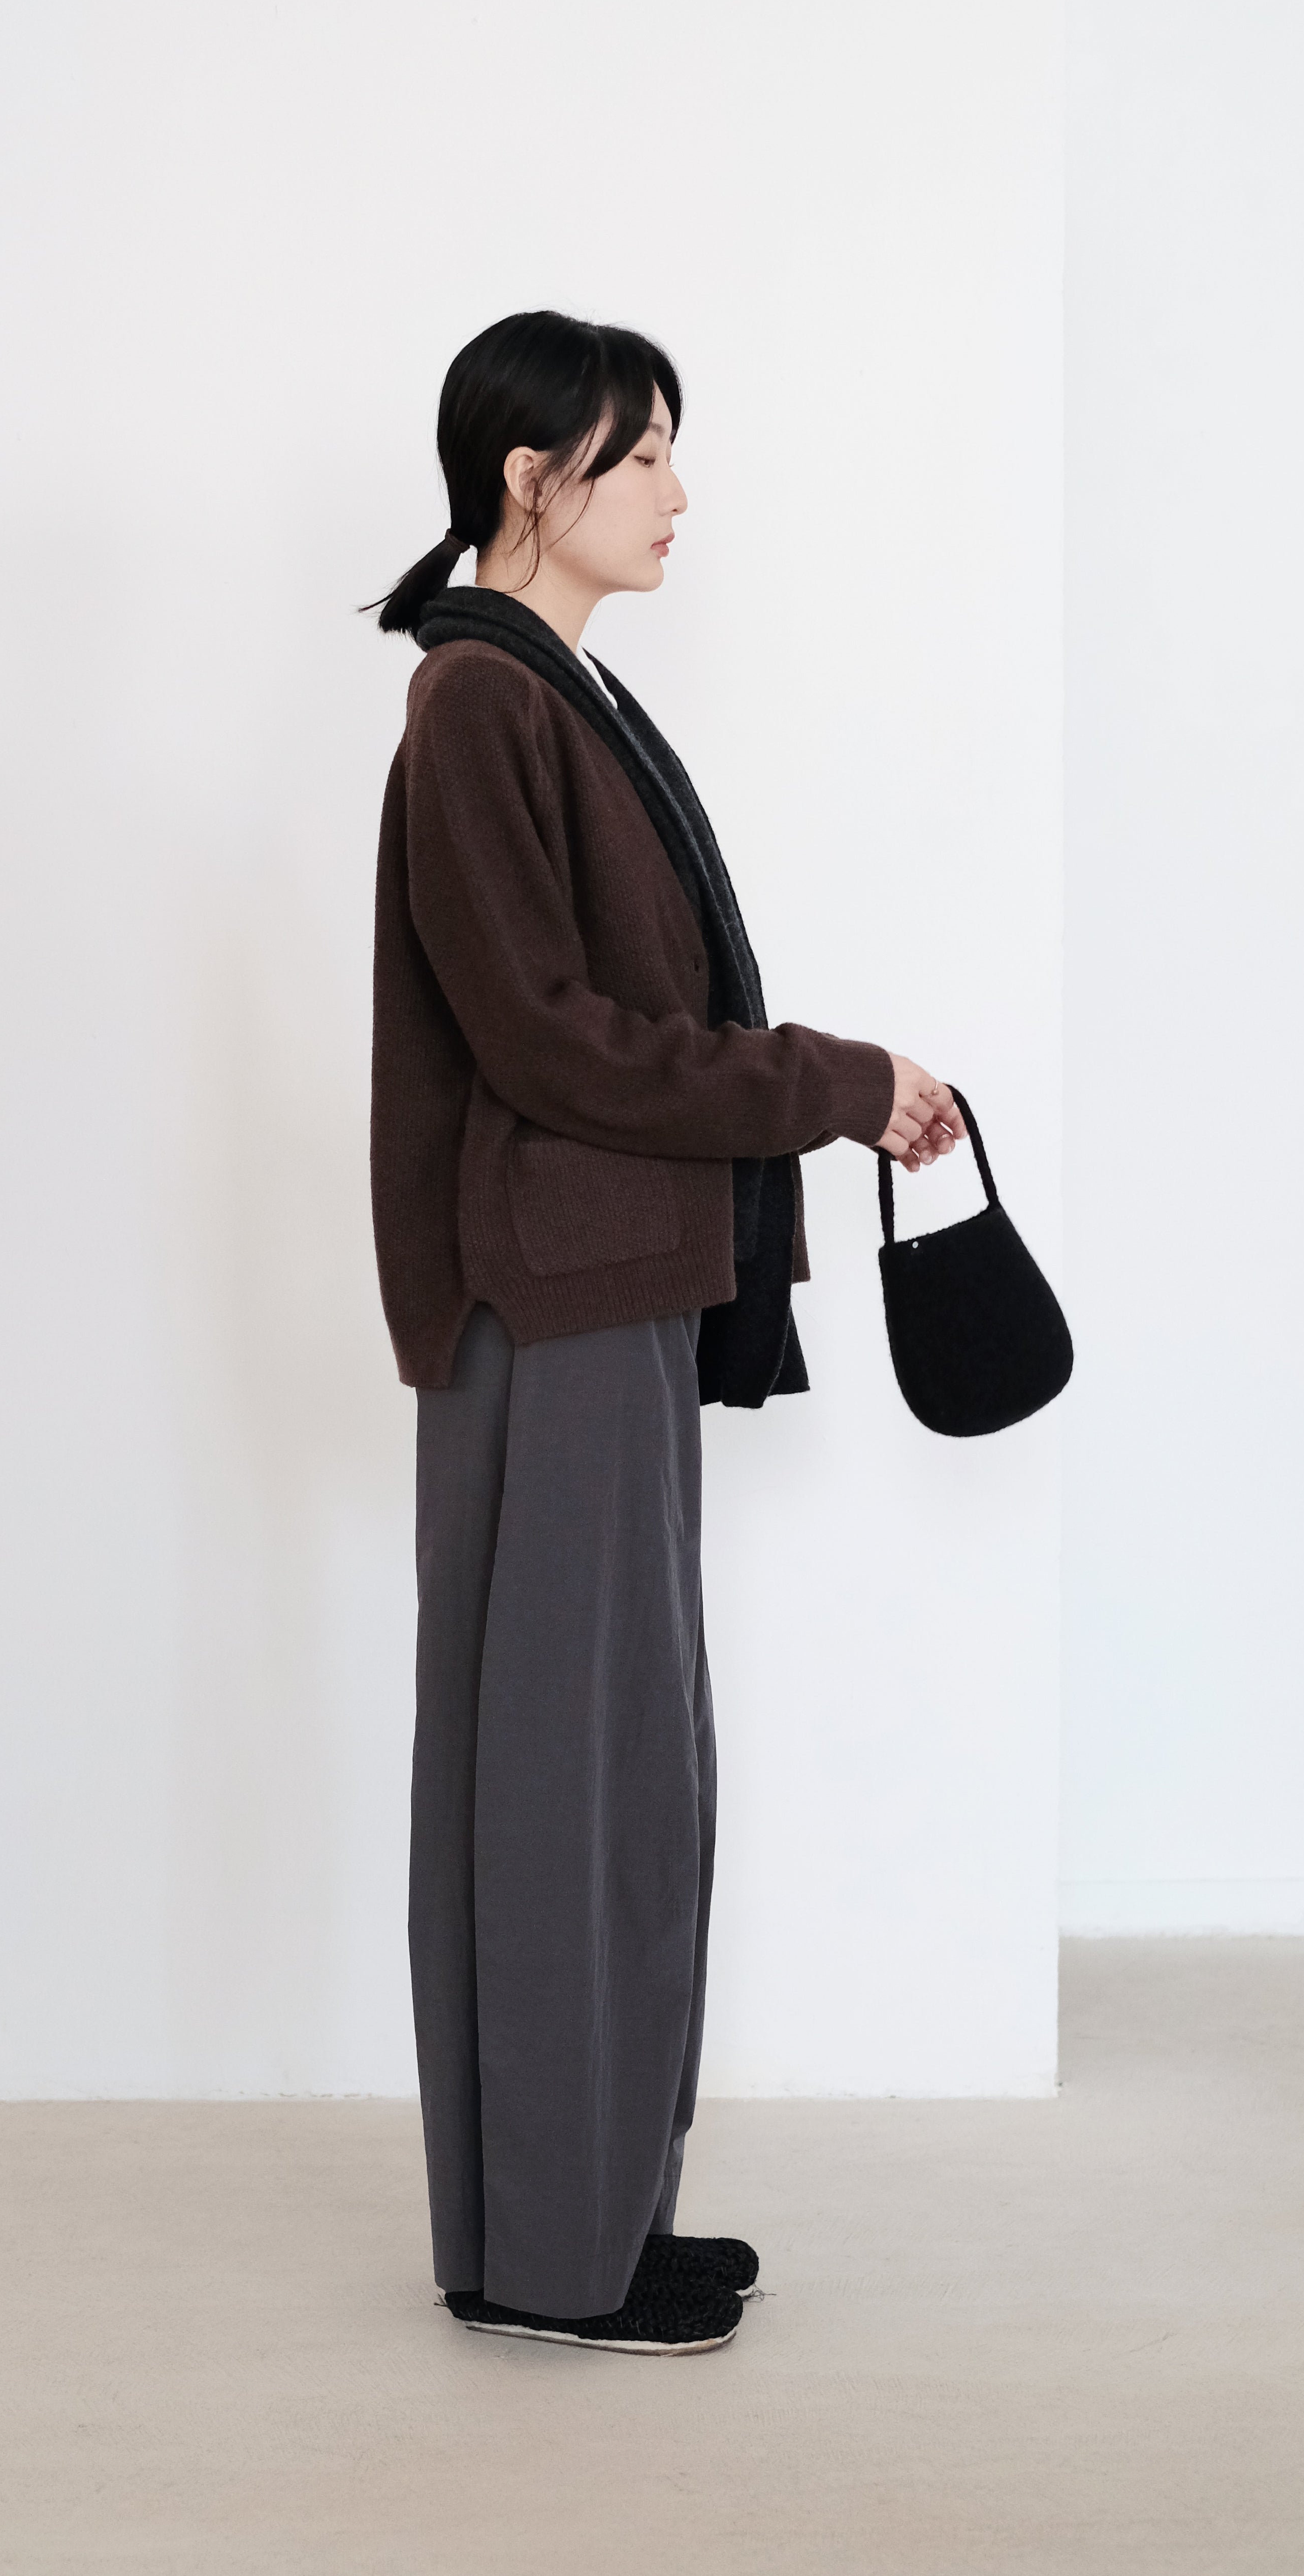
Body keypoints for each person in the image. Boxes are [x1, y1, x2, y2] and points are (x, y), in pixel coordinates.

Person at [368, 310, 961, 2355]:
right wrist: (833, 1083)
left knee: (608, 1769)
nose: (679, 494)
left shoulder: (551, 694)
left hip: (600, 1289)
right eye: (640, 459)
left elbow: (601, 1031)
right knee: (564, 1777)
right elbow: (556, 1044)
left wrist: (820, 1090)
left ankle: (573, 2222)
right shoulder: (481, 702)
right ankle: (553, 2258)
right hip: (552, 1299)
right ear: (532, 480)